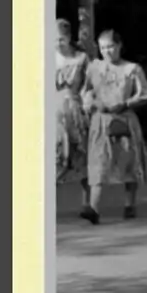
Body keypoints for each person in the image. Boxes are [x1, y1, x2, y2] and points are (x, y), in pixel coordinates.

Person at [81, 30, 147, 223]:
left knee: (128, 161)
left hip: (124, 119)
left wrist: (126, 103)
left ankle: (129, 204)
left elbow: (144, 93)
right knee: (98, 162)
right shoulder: (94, 68)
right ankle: (94, 208)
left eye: (111, 46)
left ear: (119, 46)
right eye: (103, 48)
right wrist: (89, 102)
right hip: (101, 120)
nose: (107, 51)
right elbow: (86, 90)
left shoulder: (132, 69)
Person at [54, 19, 91, 211]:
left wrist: (87, 103)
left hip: (75, 109)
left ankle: (87, 203)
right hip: (54, 111)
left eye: (61, 39)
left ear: (69, 38)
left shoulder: (81, 58)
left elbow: (88, 85)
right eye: (53, 39)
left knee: (81, 154)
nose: (57, 43)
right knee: (55, 156)